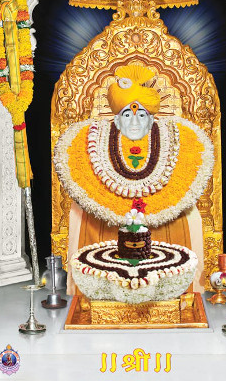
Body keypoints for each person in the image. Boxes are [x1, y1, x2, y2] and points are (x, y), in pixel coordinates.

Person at [54, 64, 214, 293]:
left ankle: (178, 293)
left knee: (189, 215)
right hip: (105, 215)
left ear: (152, 119)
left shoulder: (180, 137)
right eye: (127, 115)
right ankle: (97, 292)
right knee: (79, 212)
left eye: (141, 115)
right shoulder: (89, 138)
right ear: (117, 120)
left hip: (165, 211)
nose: (135, 122)